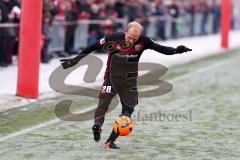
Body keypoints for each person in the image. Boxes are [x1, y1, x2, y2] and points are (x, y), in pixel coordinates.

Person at [60, 21, 192, 149]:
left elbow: (161, 49)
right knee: (103, 103)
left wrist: (176, 50)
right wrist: (75, 60)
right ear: (125, 32)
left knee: (128, 111)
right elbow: (93, 47)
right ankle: (97, 126)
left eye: (135, 38)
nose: (132, 41)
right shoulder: (113, 38)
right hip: (112, 77)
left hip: (129, 81)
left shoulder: (144, 41)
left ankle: (110, 141)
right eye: (130, 37)